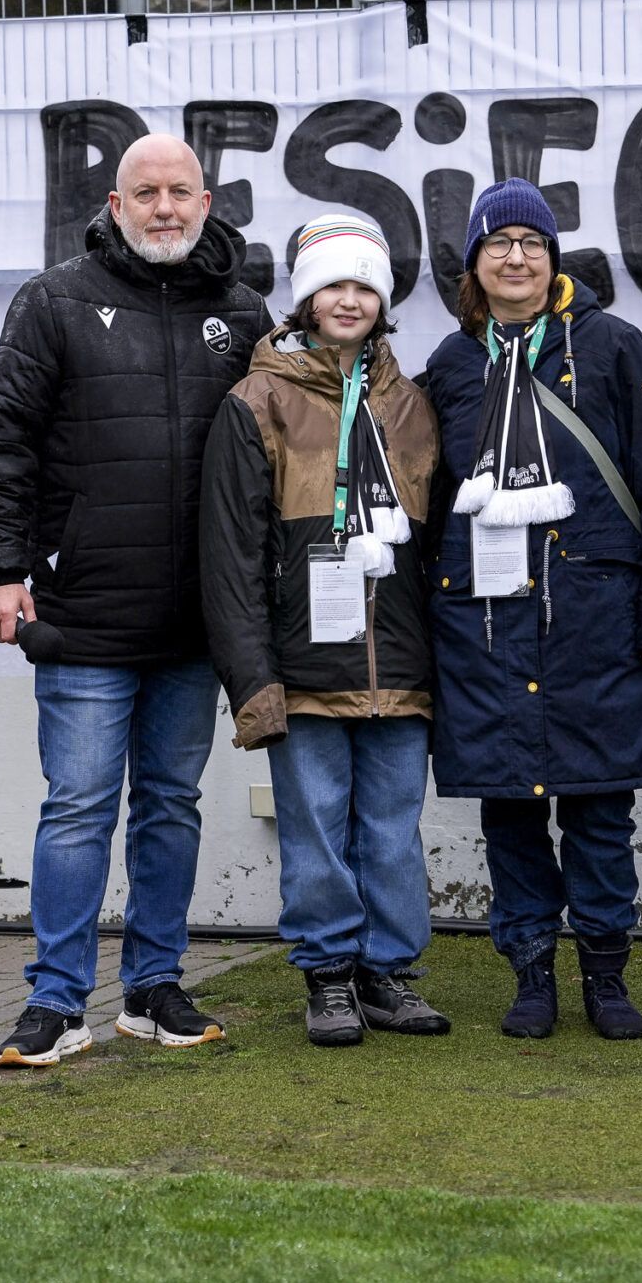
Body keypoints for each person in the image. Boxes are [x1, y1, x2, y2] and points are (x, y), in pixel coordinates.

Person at [0, 134, 273, 1068]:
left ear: (208, 202)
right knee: (80, 806)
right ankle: (58, 1003)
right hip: (84, 612)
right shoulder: (53, 301)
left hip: (192, 623)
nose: (166, 207)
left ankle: (152, 988)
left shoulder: (244, 310)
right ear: (115, 201)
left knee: (171, 804)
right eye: (148, 193)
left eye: (182, 191)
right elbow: (0, 440)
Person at [422, 178, 642, 1041]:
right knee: (509, 809)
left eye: (532, 243)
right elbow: (428, 509)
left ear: (555, 259)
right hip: (488, 625)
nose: (516, 256)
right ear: (474, 263)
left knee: (599, 810)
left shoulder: (614, 347)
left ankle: (607, 977)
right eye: (498, 243)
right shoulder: (448, 365)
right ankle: (531, 974)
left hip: (600, 622)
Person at [201, 214, 449, 1048]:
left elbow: (439, 545)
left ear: (383, 299)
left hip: (402, 663)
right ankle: (329, 973)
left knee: (390, 828)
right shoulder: (256, 400)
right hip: (303, 665)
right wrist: (252, 676)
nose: (349, 299)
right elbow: (232, 554)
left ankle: (386, 971)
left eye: (364, 285)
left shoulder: (414, 405)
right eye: (333, 284)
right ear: (306, 298)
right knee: (315, 829)